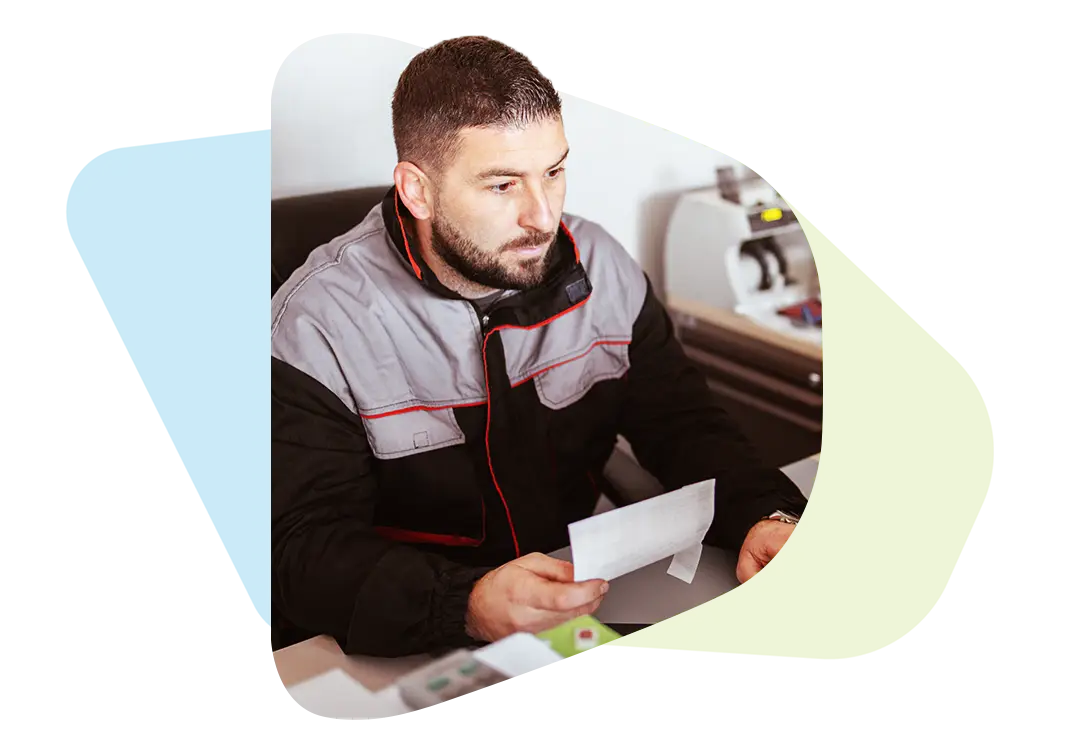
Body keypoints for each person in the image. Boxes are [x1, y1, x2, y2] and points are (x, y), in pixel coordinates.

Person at [270, 34, 808, 658]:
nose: (543, 216)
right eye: (503, 185)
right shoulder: (315, 326)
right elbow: (302, 548)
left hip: (579, 598)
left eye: (553, 172)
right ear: (417, 190)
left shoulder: (599, 263)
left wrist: (767, 513)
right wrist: (463, 605)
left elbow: (683, 422)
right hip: (412, 639)